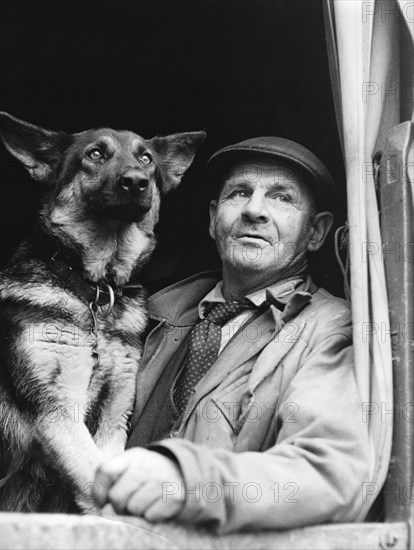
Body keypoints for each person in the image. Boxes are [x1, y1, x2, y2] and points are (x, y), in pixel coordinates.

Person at [94, 137, 370, 532]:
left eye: (282, 198)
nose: (254, 210)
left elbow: (327, 472)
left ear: (316, 232)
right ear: (212, 218)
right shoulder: (145, 313)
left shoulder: (328, 327)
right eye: (240, 193)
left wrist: (185, 479)